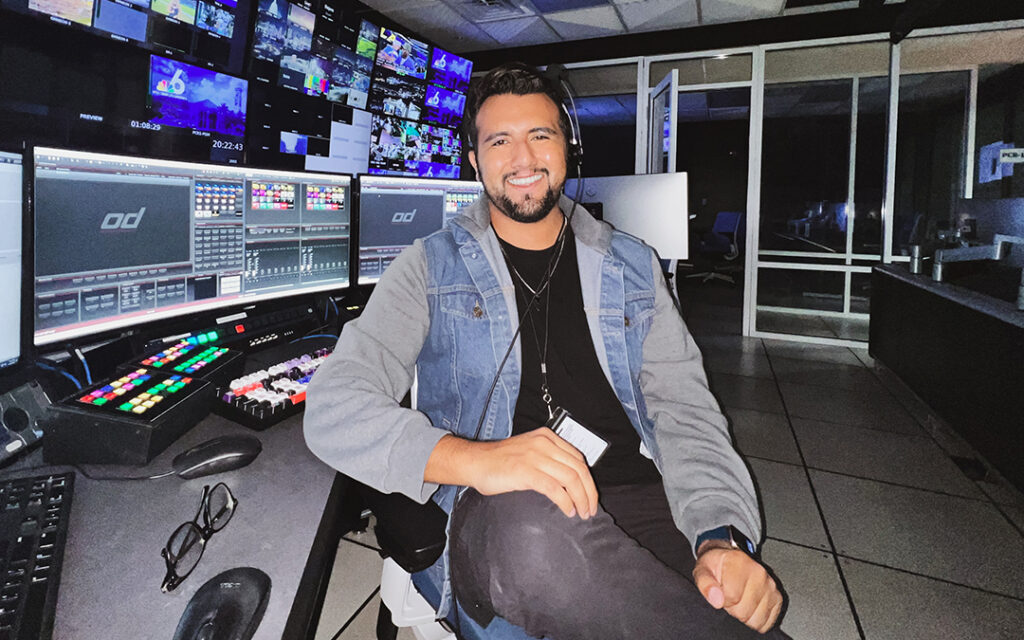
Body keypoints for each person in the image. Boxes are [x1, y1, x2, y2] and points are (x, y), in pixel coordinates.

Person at [304, 62, 788, 639]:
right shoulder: (429, 267)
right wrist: (479, 460)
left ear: (568, 149)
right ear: (474, 159)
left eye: (541, 135)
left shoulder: (633, 266)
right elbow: (333, 406)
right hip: (504, 513)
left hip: (640, 497)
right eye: (499, 141)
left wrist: (718, 535)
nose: (524, 158)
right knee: (532, 538)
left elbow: (686, 411)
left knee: (721, 594)